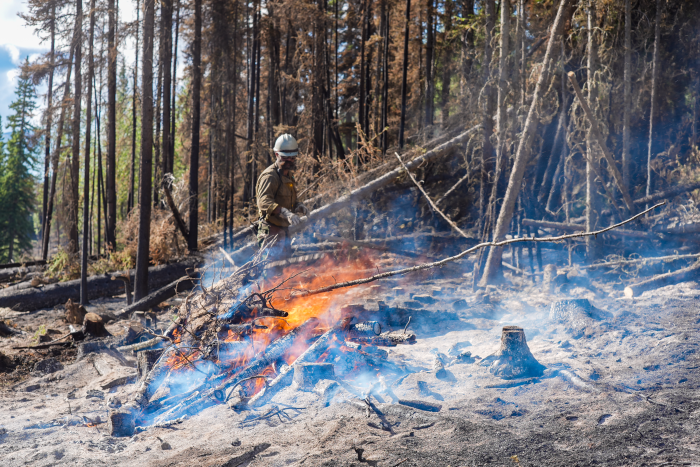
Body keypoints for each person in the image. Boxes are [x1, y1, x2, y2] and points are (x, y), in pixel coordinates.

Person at [255, 134, 309, 259]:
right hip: (270, 232)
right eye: (286, 158)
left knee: (284, 271)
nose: (290, 161)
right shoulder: (270, 176)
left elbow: (288, 200)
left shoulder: (288, 176)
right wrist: (285, 212)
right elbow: (264, 202)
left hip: (284, 231)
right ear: (276, 154)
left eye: (293, 158)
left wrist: (298, 206)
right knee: (270, 271)